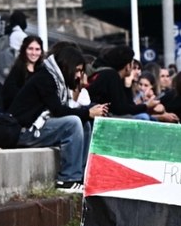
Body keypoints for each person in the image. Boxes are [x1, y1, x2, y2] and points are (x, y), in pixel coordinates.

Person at [7, 44, 108, 193]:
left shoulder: (56, 79)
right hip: (25, 131)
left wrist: (88, 114)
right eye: (78, 70)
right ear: (68, 66)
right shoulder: (45, 78)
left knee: (84, 123)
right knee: (73, 123)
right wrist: (87, 112)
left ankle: (80, 175)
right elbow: (58, 110)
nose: (79, 75)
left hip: (37, 126)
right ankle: (67, 179)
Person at [88, 45, 164, 119]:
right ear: (127, 66)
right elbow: (122, 110)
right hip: (104, 118)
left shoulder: (112, 76)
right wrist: (146, 106)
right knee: (143, 117)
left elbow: (127, 105)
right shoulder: (111, 75)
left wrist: (127, 86)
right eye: (133, 65)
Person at [1, 35, 42, 112]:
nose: (34, 53)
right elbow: (9, 94)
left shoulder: (42, 71)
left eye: (37, 49)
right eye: (30, 49)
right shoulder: (17, 71)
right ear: (24, 50)